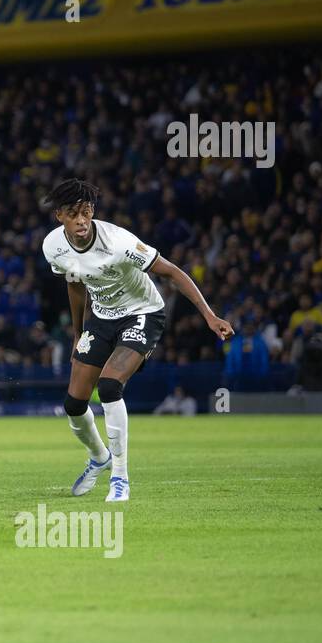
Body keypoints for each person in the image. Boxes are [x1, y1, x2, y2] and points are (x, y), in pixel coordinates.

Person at [42, 178, 233, 502]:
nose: (82, 221)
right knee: (74, 404)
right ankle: (99, 457)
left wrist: (209, 316)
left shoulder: (119, 242)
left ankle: (120, 476)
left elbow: (172, 272)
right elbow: (75, 284)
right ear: (59, 215)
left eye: (86, 212)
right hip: (102, 318)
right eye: (74, 214)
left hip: (142, 313)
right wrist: (78, 332)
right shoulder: (53, 247)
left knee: (110, 386)